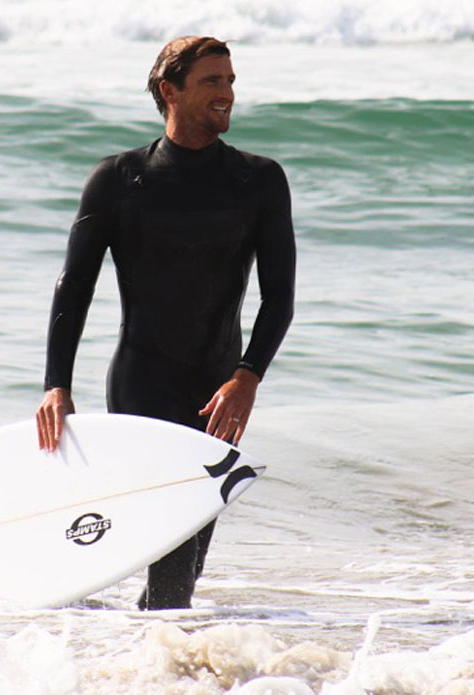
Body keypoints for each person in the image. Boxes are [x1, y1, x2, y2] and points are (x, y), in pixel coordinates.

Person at [35, 36, 295, 610]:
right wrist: (57, 385)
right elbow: (73, 287)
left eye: (230, 80)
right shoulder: (120, 179)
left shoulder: (260, 181)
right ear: (168, 90)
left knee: (184, 564)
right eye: (212, 82)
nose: (227, 93)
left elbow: (279, 296)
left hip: (218, 393)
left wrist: (247, 376)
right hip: (141, 386)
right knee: (168, 554)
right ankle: (150, 660)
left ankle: (148, 660)